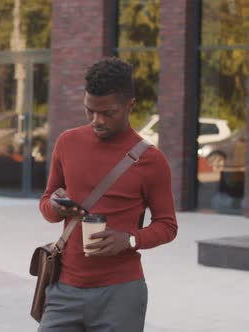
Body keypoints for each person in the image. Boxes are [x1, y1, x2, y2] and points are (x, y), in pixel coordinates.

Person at [38, 57, 178, 332]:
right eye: (90, 110)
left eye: (108, 113)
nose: (97, 120)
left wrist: (129, 239)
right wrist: (56, 207)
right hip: (64, 289)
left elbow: (168, 226)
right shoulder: (67, 142)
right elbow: (45, 204)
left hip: (121, 294)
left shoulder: (152, 160)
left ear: (130, 105)